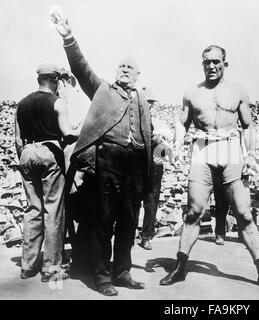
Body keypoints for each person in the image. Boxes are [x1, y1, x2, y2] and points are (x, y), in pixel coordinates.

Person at [51, 12, 167, 296]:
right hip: (107, 161)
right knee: (103, 221)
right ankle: (102, 276)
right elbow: (81, 67)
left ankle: (123, 271)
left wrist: (159, 146)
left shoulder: (141, 99)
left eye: (130, 67)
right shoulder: (102, 89)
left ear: (138, 75)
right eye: (121, 65)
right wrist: (68, 38)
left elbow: (148, 134)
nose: (125, 69)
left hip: (135, 165)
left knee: (129, 220)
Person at [160, 45, 259, 291]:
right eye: (206, 62)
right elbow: (182, 123)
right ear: (202, 63)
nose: (211, 66)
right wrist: (176, 143)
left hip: (230, 148)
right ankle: (180, 266)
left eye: (216, 62)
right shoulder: (192, 92)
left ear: (225, 63)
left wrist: (252, 156)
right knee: (193, 212)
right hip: (202, 148)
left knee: (244, 213)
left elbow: (248, 126)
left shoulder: (238, 91)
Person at [15, 62, 76, 282]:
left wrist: (25, 154)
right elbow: (67, 134)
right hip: (50, 152)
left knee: (33, 209)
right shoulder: (57, 102)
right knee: (53, 211)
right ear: (55, 80)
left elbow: (17, 138)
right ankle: (51, 267)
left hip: (27, 153)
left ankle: (27, 265)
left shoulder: (21, 104)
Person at [140, 88, 172, 250]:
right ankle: (127, 234)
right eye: (147, 103)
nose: (150, 106)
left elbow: (168, 146)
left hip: (154, 164)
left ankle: (146, 236)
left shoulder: (159, 122)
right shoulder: (134, 120)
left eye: (151, 103)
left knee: (151, 201)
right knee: (131, 201)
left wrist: (161, 139)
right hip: (137, 163)